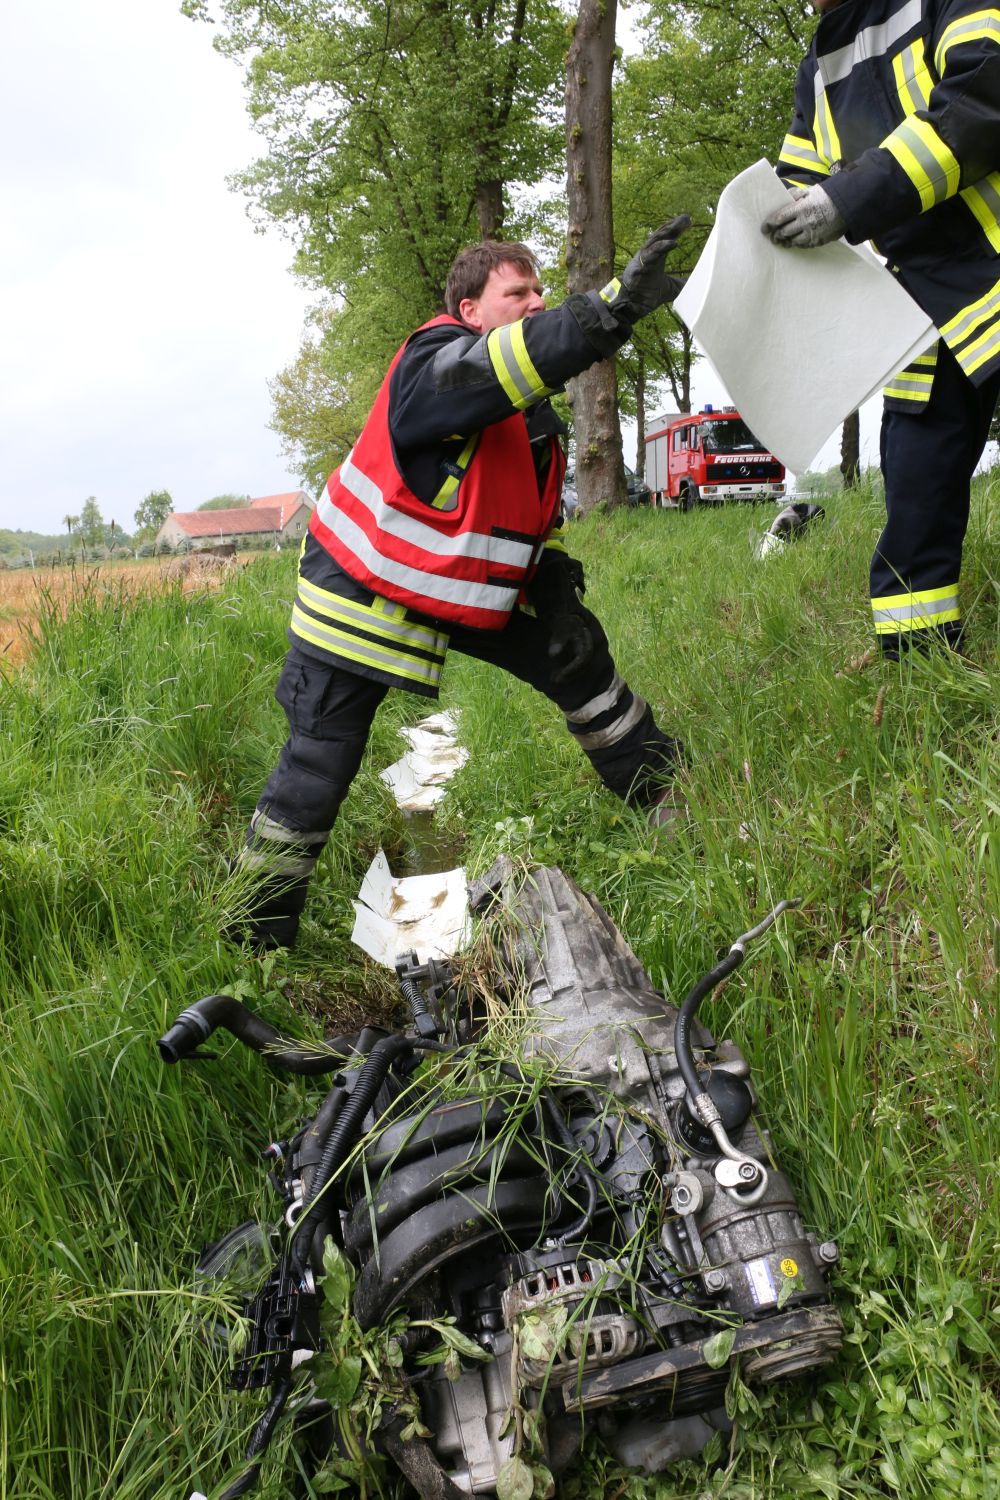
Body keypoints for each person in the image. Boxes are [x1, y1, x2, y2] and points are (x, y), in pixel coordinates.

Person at [231, 222, 690, 949]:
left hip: (461, 587)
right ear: (469, 310)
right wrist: (608, 310)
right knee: (319, 763)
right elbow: (494, 369)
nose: (536, 303)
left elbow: (530, 518)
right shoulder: (434, 361)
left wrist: (558, 598)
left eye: (541, 292)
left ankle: (667, 798)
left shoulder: (527, 412)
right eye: (518, 293)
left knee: (581, 661)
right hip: (362, 587)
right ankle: (251, 938)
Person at [762, 0, 1000, 658]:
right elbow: (796, 184)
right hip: (916, 306)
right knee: (915, 494)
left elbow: (983, 96)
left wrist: (848, 199)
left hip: (991, 265)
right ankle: (921, 665)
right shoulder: (819, 63)